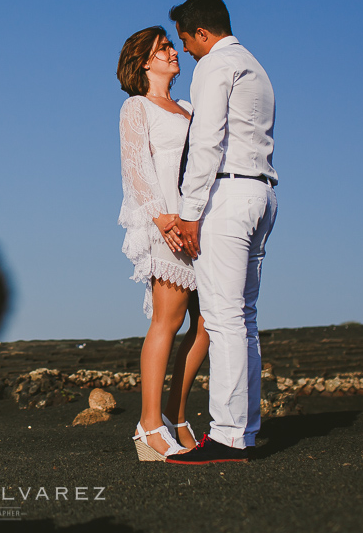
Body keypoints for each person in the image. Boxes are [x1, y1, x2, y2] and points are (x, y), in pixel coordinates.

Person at [164, 0, 277, 465]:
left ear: (202, 33)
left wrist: (190, 211)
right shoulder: (256, 66)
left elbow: (207, 139)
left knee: (224, 317)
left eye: (186, 40)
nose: (185, 50)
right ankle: (243, 430)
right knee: (243, 318)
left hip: (228, 197)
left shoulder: (215, 65)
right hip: (262, 193)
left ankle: (228, 436)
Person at [116, 26, 211, 461]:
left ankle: (176, 416)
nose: (174, 52)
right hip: (166, 224)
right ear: (144, 63)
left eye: (172, 46)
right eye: (163, 48)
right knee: (167, 321)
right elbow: (136, 167)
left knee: (208, 323)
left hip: (199, 225)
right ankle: (149, 426)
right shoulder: (136, 107)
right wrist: (161, 218)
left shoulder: (189, 108)